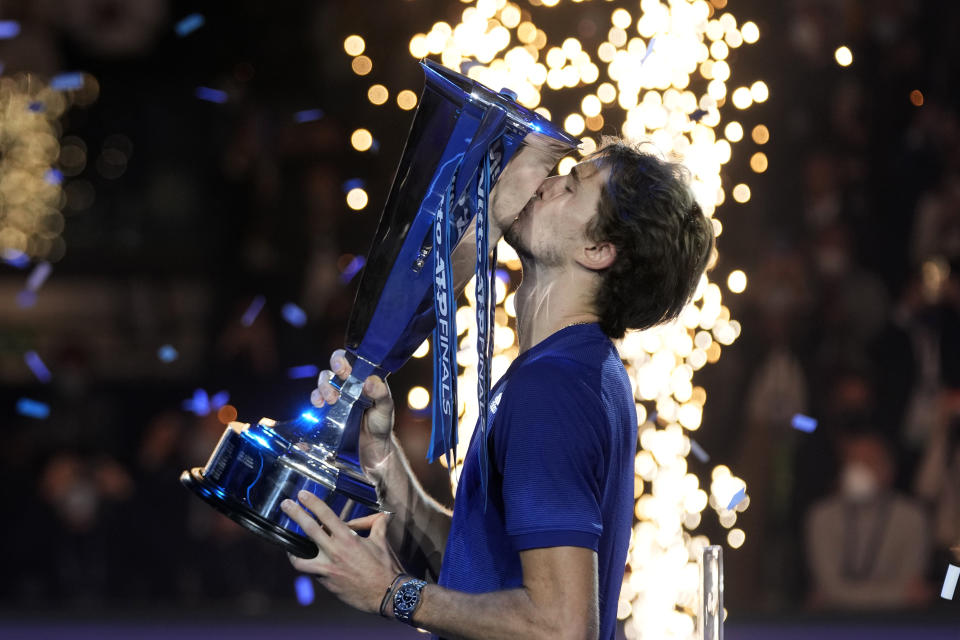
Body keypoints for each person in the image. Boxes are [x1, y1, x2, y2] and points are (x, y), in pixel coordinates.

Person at [279, 138, 715, 639]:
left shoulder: (553, 389)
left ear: (597, 250)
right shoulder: (573, 368)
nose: (545, 184)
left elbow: (562, 628)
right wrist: (383, 461)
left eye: (569, 187)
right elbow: (480, 570)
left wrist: (390, 591)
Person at [805, 430, 932, 610]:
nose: (858, 469)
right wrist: (897, 595)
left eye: (868, 462)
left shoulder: (912, 517)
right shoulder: (822, 516)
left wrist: (839, 595)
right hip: (835, 622)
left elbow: (912, 587)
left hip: (897, 623)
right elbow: (829, 586)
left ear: (889, 470)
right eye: (852, 461)